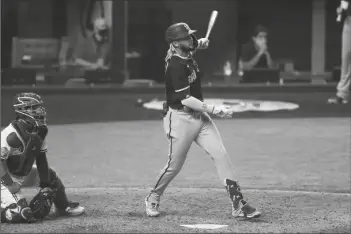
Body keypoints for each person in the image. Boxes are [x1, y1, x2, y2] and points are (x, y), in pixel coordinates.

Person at [144, 22, 261, 219]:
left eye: (191, 36)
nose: (190, 39)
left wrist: (199, 43)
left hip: (199, 117)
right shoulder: (174, 65)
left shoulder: (186, 52)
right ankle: (153, 197)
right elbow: (186, 98)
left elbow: (192, 46)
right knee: (174, 165)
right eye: (186, 37)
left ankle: (238, 204)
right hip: (181, 120)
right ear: (174, 43)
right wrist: (215, 109)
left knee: (221, 155)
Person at [1, 93, 85, 223]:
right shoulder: (10, 136)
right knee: (22, 214)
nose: (39, 110)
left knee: (50, 175)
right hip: (4, 178)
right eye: (34, 107)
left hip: (20, 174)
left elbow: (41, 159)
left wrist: (46, 185)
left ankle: (63, 207)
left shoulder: (39, 131)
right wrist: (10, 184)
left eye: (39, 107)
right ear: (22, 111)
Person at [328, 0, 351, 104]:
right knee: (346, 59)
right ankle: (342, 94)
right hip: (349, 21)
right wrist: (341, 11)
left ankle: (343, 93)